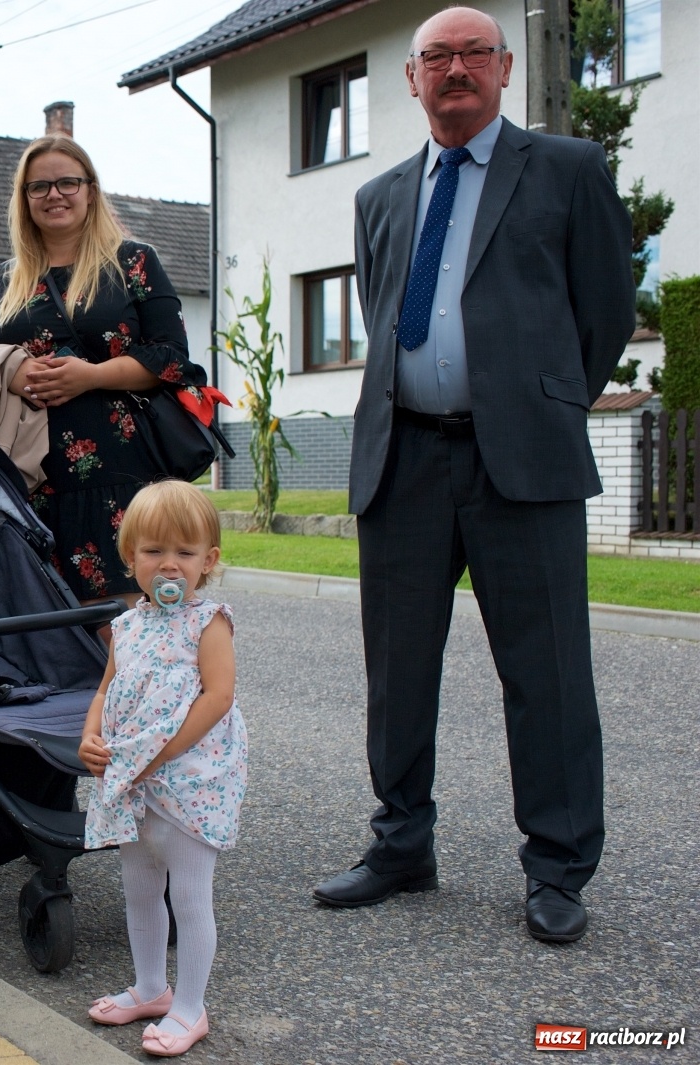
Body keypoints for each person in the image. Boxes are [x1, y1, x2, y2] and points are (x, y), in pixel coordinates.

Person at [312, 6, 635, 944]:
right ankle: (401, 842)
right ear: (411, 80)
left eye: (473, 54)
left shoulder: (567, 170)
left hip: (521, 460)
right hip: (403, 453)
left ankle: (559, 864)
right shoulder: (379, 198)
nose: (456, 70)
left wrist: (533, 401)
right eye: (435, 58)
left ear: (503, 70)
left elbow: (602, 318)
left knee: (549, 674)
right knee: (397, 671)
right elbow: (384, 318)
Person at [0, 137, 206, 605]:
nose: (55, 194)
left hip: (121, 474)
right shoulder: (0, 282)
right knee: (42, 631)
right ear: (24, 199)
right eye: (40, 187)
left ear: (90, 190)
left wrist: (90, 376)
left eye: (68, 182)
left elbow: (173, 358)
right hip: (28, 477)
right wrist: (11, 371)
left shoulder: (133, 263)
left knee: (124, 628)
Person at [80, 479, 245, 1058]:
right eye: (153, 552)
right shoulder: (126, 627)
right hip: (134, 781)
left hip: (190, 779)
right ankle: (151, 988)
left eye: (185, 553)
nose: (168, 565)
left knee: (189, 898)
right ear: (131, 560)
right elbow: (105, 690)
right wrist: (91, 736)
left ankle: (190, 1008)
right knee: (140, 888)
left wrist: (166, 751)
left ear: (208, 562)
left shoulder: (210, 622)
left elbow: (217, 697)